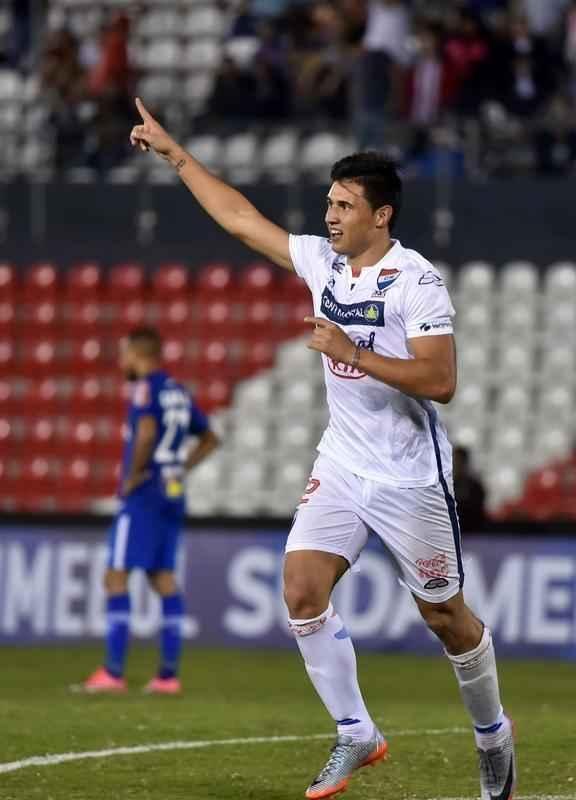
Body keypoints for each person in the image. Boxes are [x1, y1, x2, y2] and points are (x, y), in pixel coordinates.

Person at [129, 98, 516, 799]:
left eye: (343, 205)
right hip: (342, 461)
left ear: (381, 215)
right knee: (301, 590)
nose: (330, 215)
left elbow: (443, 380)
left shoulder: (416, 280)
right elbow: (243, 221)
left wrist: (352, 351)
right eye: (329, 203)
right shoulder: (322, 262)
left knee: (445, 618)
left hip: (408, 477)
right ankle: (355, 731)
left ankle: (493, 735)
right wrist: (176, 155)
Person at [83, 327, 219, 694]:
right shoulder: (177, 391)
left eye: (125, 354)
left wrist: (133, 475)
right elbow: (210, 438)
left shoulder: (145, 388)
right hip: (172, 492)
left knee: (116, 576)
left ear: (139, 355)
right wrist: (181, 468)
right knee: (163, 579)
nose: (121, 361)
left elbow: (145, 432)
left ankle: (112, 672)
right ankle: (167, 676)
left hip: (143, 495)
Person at [453, 446, 487, 532]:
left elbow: (478, 513)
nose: (457, 464)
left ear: (465, 462)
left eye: (460, 461)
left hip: (472, 534)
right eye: (455, 461)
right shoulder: (443, 486)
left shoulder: (475, 486)